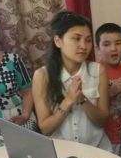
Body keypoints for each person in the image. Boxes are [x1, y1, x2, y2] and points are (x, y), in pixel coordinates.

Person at [32, 11, 111, 150]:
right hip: (61, 153)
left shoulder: (98, 71)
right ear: (58, 41)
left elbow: (102, 120)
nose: (83, 46)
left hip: (97, 150)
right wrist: (68, 101)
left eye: (88, 40)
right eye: (76, 38)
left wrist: (82, 100)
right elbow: (45, 128)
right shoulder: (42, 76)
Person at [94, 23, 121, 155]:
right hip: (104, 137)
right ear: (98, 49)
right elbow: (92, 108)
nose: (113, 49)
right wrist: (110, 92)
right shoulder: (95, 72)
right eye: (106, 44)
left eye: (118, 43)